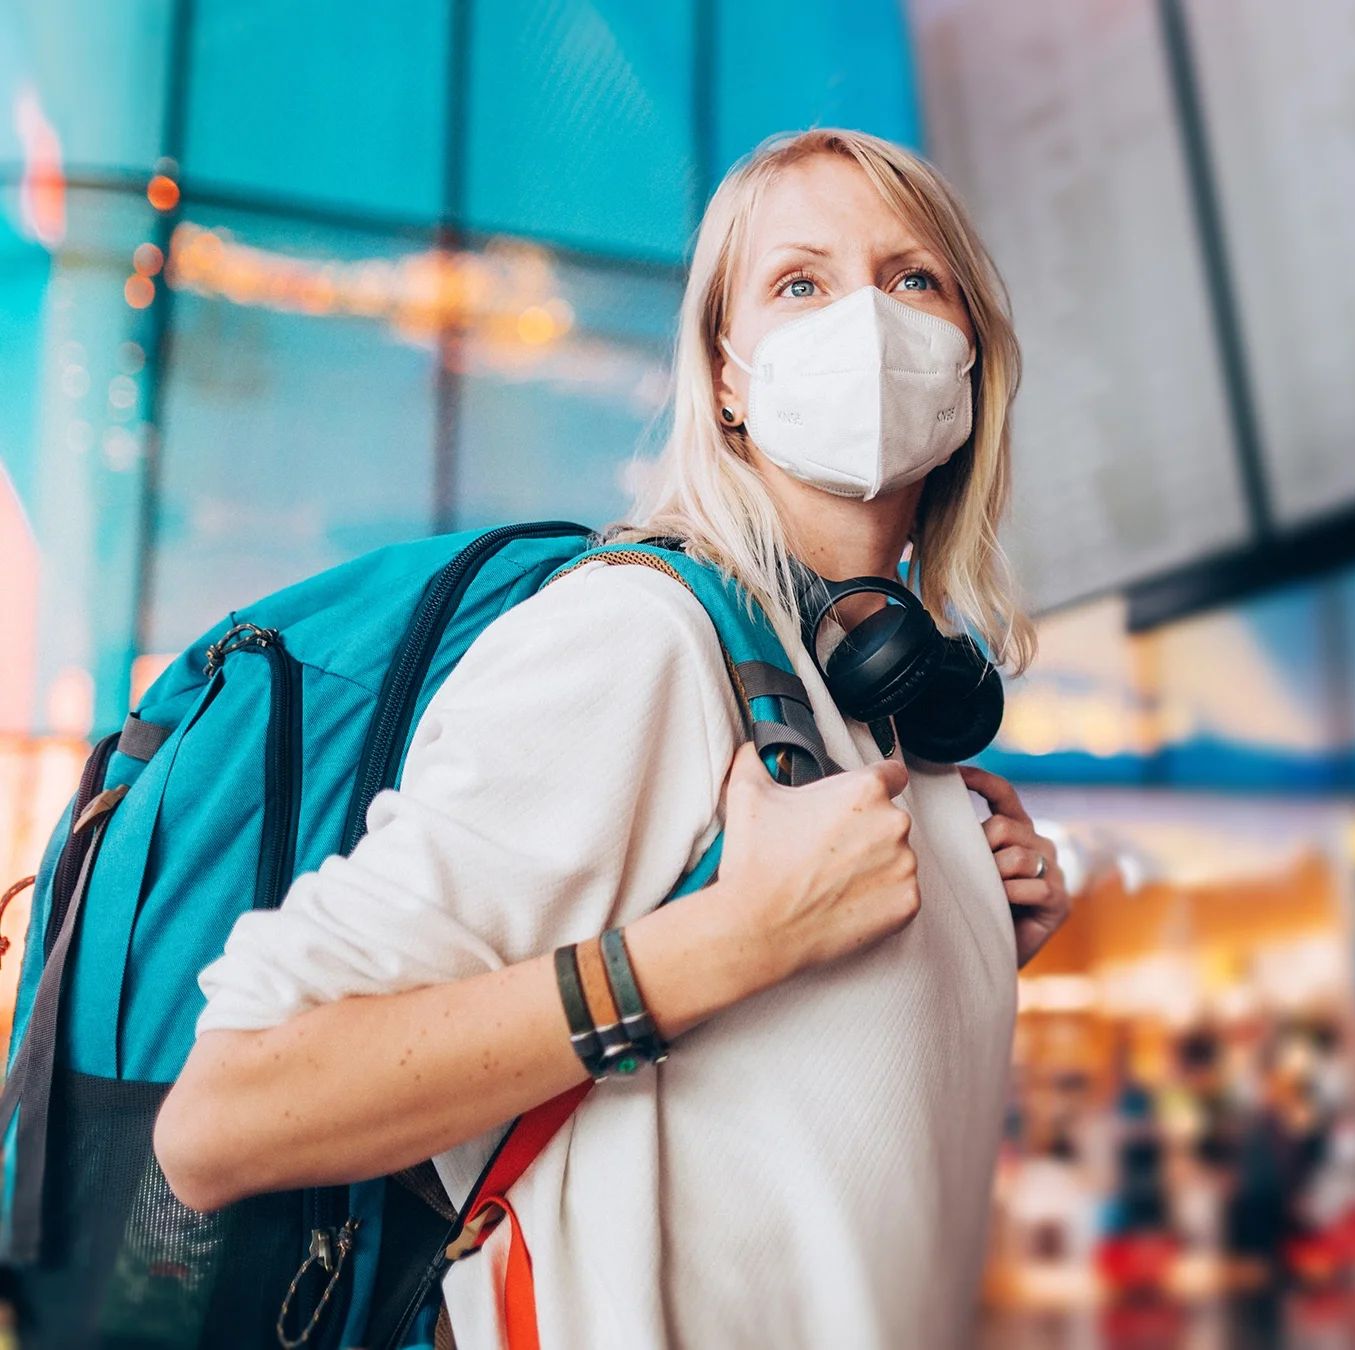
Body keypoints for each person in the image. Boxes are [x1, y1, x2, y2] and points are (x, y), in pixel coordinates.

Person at [149, 129, 1073, 1349]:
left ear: (968, 359)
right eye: (800, 283)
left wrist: (983, 946)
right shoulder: (643, 638)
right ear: (728, 377)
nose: (867, 320)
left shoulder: (902, 718)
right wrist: (732, 942)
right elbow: (224, 1118)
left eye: (913, 279)